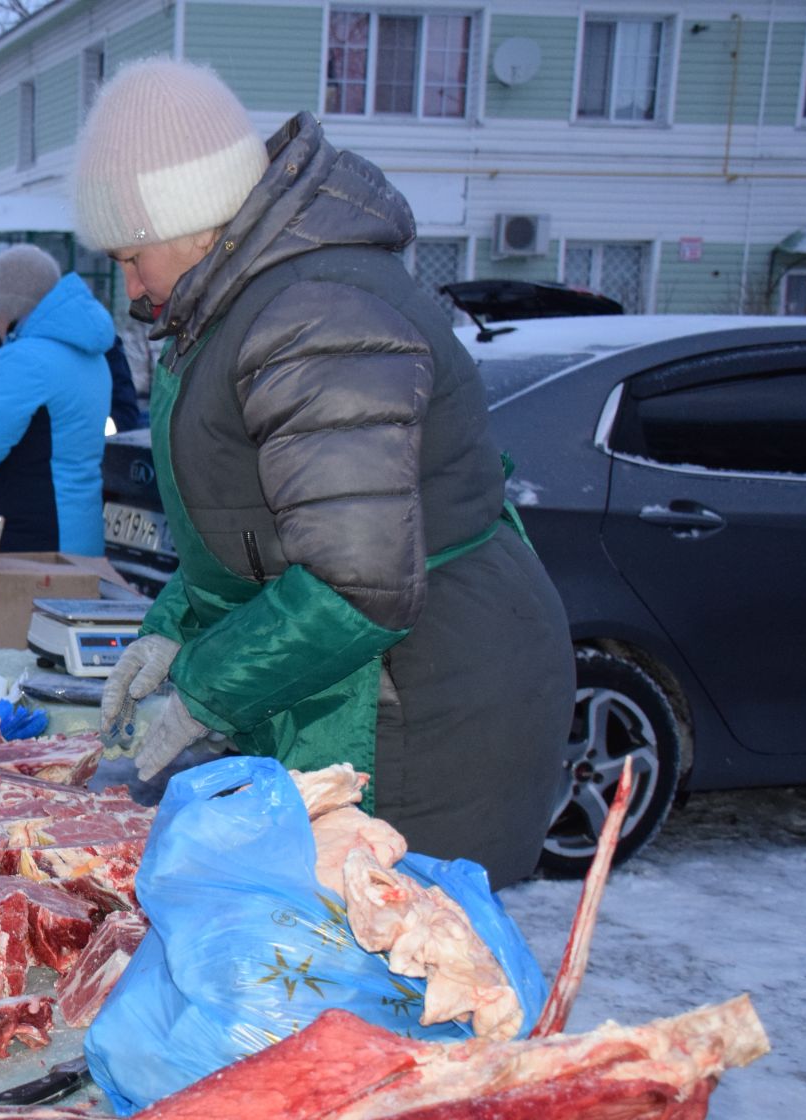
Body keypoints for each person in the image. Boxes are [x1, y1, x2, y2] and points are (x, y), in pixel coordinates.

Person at [79, 60, 572, 889]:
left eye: (132, 257)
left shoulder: (315, 311)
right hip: (359, 683)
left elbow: (357, 580)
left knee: (399, 979)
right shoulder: (239, 297)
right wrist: (175, 622)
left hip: (420, 706)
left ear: (194, 219)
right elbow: (250, 522)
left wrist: (203, 688)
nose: (130, 287)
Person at [0, 244, 114, 555]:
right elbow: (48, 419)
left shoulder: (24, 360)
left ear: (10, 305)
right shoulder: (88, 354)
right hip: (75, 530)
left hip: (28, 538)